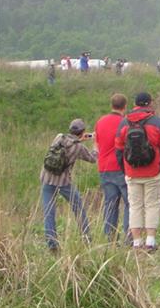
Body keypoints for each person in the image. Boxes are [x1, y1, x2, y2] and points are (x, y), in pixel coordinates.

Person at [115, 92, 160, 251]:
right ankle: (150, 241)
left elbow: (118, 149)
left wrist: (125, 169)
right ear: (149, 104)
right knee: (152, 205)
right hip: (153, 171)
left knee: (135, 206)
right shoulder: (157, 122)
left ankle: (137, 242)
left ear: (135, 103)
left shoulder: (124, 122)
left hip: (132, 172)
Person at [40, 119, 97, 251]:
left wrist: (81, 138)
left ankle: (52, 244)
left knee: (49, 212)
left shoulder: (59, 137)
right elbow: (92, 159)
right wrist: (95, 145)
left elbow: (68, 143)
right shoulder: (78, 148)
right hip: (63, 182)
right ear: (82, 132)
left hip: (46, 178)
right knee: (78, 208)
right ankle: (87, 237)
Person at [95, 93, 129, 241]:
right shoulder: (125, 122)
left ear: (112, 105)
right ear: (124, 106)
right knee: (130, 203)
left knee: (110, 204)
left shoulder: (100, 122)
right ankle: (130, 237)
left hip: (104, 167)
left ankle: (110, 238)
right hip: (121, 167)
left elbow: (96, 144)